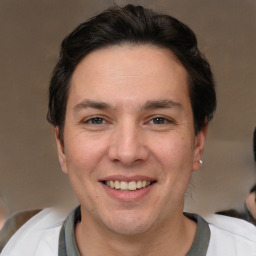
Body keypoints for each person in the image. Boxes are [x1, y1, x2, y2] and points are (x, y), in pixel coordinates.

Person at [1, 4, 256, 256]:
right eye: (96, 120)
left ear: (197, 142)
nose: (127, 152)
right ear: (61, 146)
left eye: (158, 120)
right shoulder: (20, 248)